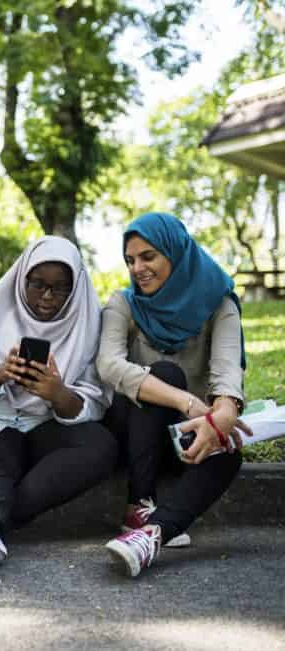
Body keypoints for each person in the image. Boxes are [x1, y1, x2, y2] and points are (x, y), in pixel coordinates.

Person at [0, 236, 117, 566]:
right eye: (38, 284)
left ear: (76, 287)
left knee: (101, 446)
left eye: (60, 288)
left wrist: (58, 393)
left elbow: (96, 401)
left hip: (46, 424)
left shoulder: (90, 323)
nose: (48, 297)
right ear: (21, 277)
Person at [98, 212, 250, 578]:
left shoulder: (219, 305)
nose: (138, 268)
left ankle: (151, 535)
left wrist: (223, 412)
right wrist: (186, 401)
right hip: (133, 435)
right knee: (164, 374)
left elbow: (228, 373)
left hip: (184, 437)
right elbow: (109, 365)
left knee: (229, 451)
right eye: (131, 260)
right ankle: (140, 503)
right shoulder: (124, 304)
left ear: (176, 253)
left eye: (148, 257)